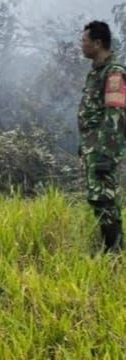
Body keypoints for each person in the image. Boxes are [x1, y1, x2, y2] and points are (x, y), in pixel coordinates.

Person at [78, 21, 124, 252]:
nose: (81, 45)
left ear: (98, 43)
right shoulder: (96, 73)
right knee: (98, 198)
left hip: (103, 149)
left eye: (85, 41)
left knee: (105, 199)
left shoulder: (114, 73)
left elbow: (115, 115)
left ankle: (114, 253)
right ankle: (111, 251)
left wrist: (105, 153)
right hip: (93, 148)